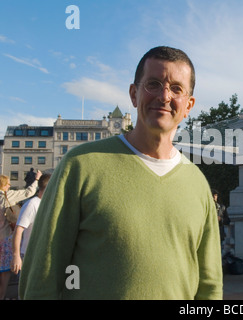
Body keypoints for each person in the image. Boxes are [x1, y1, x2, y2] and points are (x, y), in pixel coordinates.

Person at [19, 46, 223, 300]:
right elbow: (42, 273)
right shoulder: (80, 165)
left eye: (176, 89)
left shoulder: (197, 184)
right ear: (134, 94)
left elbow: (210, 284)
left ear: (189, 105)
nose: (164, 96)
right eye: (154, 84)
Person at [0, 171, 41, 300]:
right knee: (5, 273)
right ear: (3, 185)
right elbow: (27, 192)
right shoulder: (5, 196)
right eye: (8, 184)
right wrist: (37, 179)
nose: (9, 186)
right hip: (3, 237)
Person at [11, 173, 51, 276]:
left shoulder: (47, 203)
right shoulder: (32, 204)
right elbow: (18, 229)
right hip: (30, 255)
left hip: (43, 255)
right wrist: (16, 255)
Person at [212, 189, 230, 254]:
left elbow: (228, 220)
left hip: (219, 233)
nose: (214, 197)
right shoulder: (206, 207)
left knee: (219, 253)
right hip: (210, 232)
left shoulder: (222, 207)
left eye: (216, 195)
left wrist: (220, 219)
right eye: (213, 195)